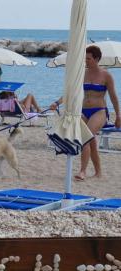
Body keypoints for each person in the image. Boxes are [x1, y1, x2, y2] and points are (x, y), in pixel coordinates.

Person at [50, 45, 121, 180]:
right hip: (82, 111)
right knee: (91, 140)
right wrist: (57, 103)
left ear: (97, 59)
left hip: (99, 111)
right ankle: (98, 172)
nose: (85, 61)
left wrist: (118, 115)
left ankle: (82, 171)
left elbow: (113, 97)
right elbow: (70, 93)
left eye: (88, 59)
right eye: (85, 58)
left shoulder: (106, 75)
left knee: (85, 137)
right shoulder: (81, 73)